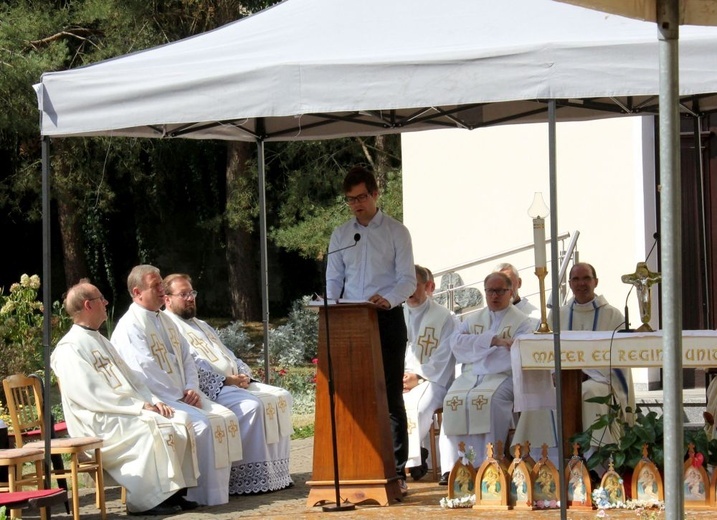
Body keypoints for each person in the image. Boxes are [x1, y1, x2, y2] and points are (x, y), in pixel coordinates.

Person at [51, 280, 199, 516]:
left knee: (179, 419)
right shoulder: (69, 348)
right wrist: (140, 407)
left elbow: (133, 379)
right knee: (154, 426)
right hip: (97, 419)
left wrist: (153, 399)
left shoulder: (100, 340)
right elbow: (91, 395)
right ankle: (147, 500)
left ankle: (174, 492)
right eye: (102, 299)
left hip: (120, 410)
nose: (106, 303)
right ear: (89, 305)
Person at [110, 265, 242, 506]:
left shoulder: (165, 320)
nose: (162, 290)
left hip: (182, 394)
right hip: (157, 397)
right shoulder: (130, 326)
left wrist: (192, 386)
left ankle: (217, 493)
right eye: (156, 286)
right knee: (201, 425)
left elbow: (187, 357)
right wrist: (178, 395)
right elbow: (143, 370)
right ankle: (193, 493)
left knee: (223, 418)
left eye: (162, 284)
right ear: (137, 292)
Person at [326, 166, 416, 492]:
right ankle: (356, 465)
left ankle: (397, 472)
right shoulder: (340, 234)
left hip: (386, 319)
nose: (356, 205)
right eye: (350, 200)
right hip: (350, 322)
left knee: (390, 396)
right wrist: (330, 307)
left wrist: (387, 298)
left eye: (361, 197)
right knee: (353, 396)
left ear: (375, 194)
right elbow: (333, 279)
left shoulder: (396, 232)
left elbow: (408, 279)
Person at [162, 273, 294, 495]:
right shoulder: (169, 328)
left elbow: (227, 354)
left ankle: (276, 476)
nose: (190, 298)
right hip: (211, 389)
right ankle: (245, 479)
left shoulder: (201, 324)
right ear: (167, 299)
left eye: (191, 293)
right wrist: (225, 380)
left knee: (281, 396)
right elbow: (191, 366)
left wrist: (242, 374)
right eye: (183, 294)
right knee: (253, 407)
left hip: (234, 383)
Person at [438, 272, 533, 484]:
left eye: (500, 291)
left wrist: (479, 349)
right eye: (490, 291)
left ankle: (490, 463)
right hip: (471, 376)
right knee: (453, 400)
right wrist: (494, 341)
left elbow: (517, 352)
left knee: (490, 401)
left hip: (503, 376)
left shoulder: (523, 322)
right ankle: (453, 467)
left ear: (511, 292)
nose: (494, 296)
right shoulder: (472, 320)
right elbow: (456, 344)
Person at [551, 262, 634, 449]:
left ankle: (598, 455)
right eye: (576, 279)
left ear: (596, 282)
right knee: (544, 397)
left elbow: (621, 356)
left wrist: (587, 373)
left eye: (586, 278)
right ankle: (547, 457)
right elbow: (545, 351)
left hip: (602, 380)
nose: (581, 283)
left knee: (587, 392)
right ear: (570, 284)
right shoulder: (557, 315)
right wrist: (553, 373)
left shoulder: (613, 315)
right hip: (563, 380)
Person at [402, 265, 458, 480]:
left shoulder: (444, 317)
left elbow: (445, 353)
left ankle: (411, 461)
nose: (410, 290)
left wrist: (418, 376)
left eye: (414, 285)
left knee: (417, 408)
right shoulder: (396, 314)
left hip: (434, 380)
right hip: (403, 379)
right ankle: (412, 457)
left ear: (428, 286)